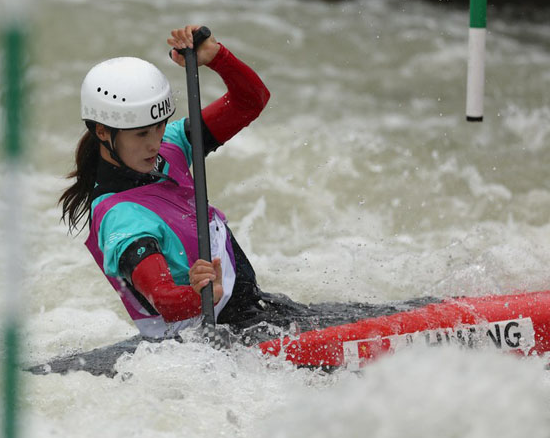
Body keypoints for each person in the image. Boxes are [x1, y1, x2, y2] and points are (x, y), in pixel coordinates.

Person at [60, 25, 432, 346]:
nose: (155, 142)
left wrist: (217, 57)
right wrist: (196, 293)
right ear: (103, 132)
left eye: (158, 127)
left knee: (390, 312)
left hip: (251, 311)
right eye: (141, 134)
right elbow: (163, 300)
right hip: (210, 341)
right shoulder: (121, 217)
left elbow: (251, 101)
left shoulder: (170, 148)